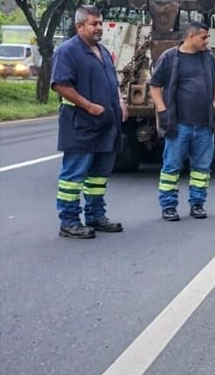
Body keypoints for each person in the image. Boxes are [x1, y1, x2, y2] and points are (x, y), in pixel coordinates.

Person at [51, 5, 127, 239]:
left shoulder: (103, 51)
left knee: (98, 175)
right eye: (94, 24)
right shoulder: (68, 51)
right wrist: (89, 106)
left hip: (106, 124)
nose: (99, 28)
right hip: (81, 124)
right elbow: (60, 85)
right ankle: (69, 222)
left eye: (100, 23)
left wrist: (120, 101)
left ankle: (95, 216)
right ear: (79, 26)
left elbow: (112, 81)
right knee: (73, 177)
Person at [150, 21, 215, 221]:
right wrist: (162, 110)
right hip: (179, 124)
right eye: (204, 37)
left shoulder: (209, 59)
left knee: (201, 168)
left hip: (203, 125)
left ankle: (197, 204)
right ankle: (168, 206)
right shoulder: (170, 58)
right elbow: (155, 85)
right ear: (191, 36)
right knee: (172, 167)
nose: (206, 41)